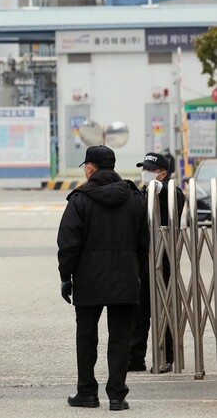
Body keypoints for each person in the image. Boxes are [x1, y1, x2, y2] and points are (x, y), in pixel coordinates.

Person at [57, 145, 148, 412]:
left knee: (87, 336)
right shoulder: (134, 198)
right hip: (125, 277)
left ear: (90, 167)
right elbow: (144, 242)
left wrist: (66, 276)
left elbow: (68, 243)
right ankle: (117, 396)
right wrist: (136, 271)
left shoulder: (80, 199)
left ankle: (86, 392)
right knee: (120, 337)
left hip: (89, 279)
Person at [128, 152, 185, 373]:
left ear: (162, 173)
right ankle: (135, 358)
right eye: (144, 168)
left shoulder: (171, 193)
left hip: (164, 262)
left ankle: (168, 357)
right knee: (138, 311)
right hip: (141, 261)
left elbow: (177, 203)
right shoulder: (139, 194)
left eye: (150, 169)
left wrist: (160, 191)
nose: (146, 173)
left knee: (166, 310)